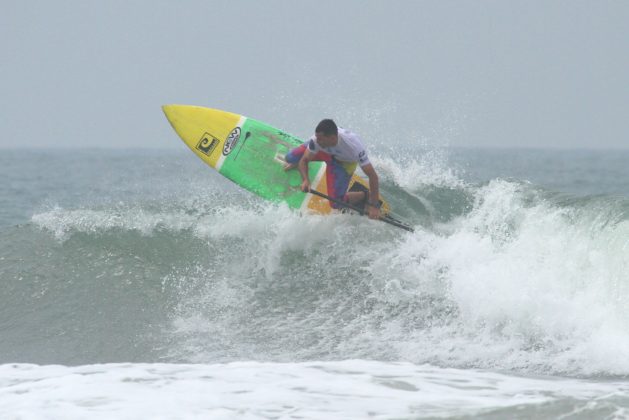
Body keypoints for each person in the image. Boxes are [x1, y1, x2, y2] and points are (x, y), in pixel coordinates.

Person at [284, 119, 381, 220]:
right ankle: (302, 165)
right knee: (290, 158)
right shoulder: (317, 141)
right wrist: (305, 180)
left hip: (343, 164)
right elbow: (304, 160)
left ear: (332, 138)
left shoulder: (354, 146)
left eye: (320, 139)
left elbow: (373, 176)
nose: (317, 141)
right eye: (317, 137)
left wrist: (374, 205)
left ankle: (365, 194)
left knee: (336, 203)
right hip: (325, 153)